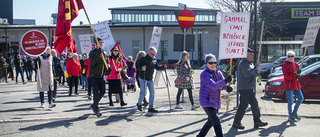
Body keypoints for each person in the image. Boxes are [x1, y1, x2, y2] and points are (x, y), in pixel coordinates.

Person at [197, 54, 232, 137]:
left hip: (215, 102)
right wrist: (225, 81)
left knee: (210, 122)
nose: (213, 65)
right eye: (210, 63)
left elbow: (222, 83)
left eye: (214, 62)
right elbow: (213, 86)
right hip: (207, 101)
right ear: (206, 64)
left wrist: (227, 88)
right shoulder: (204, 74)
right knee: (216, 121)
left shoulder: (218, 73)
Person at [232, 48, 268, 129]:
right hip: (245, 88)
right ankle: (236, 122)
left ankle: (257, 121)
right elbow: (247, 75)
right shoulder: (243, 64)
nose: (252, 56)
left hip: (250, 88)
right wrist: (255, 69)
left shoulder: (249, 63)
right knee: (243, 105)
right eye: (250, 54)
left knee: (255, 105)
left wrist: (256, 67)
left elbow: (252, 71)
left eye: (252, 54)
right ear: (245, 55)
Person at [136, 47, 164, 113]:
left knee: (152, 93)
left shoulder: (154, 59)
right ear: (149, 52)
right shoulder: (143, 58)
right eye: (152, 54)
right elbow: (137, 66)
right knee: (144, 92)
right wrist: (141, 68)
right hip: (143, 78)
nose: (153, 56)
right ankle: (139, 104)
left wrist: (163, 67)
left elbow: (157, 67)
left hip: (150, 78)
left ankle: (150, 107)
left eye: (154, 54)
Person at [89, 37, 111, 117]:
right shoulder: (92, 52)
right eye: (100, 42)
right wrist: (98, 52)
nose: (102, 43)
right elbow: (93, 62)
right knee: (95, 92)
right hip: (94, 75)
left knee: (103, 91)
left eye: (102, 42)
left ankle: (94, 105)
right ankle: (96, 108)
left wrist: (108, 68)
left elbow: (107, 62)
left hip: (102, 76)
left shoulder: (104, 53)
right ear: (97, 43)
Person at [282, 50, 304, 122]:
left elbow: (297, 75)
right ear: (287, 57)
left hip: (296, 85)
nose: (290, 58)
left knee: (301, 98)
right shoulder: (285, 65)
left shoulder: (296, 64)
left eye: (292, 56)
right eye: (289, 56)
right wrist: (295, 74)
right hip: (289, 86)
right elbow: (287, 77)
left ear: (294, 57)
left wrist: (298, 76)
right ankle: (290, 115)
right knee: (290, 101)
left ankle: (294, 112)